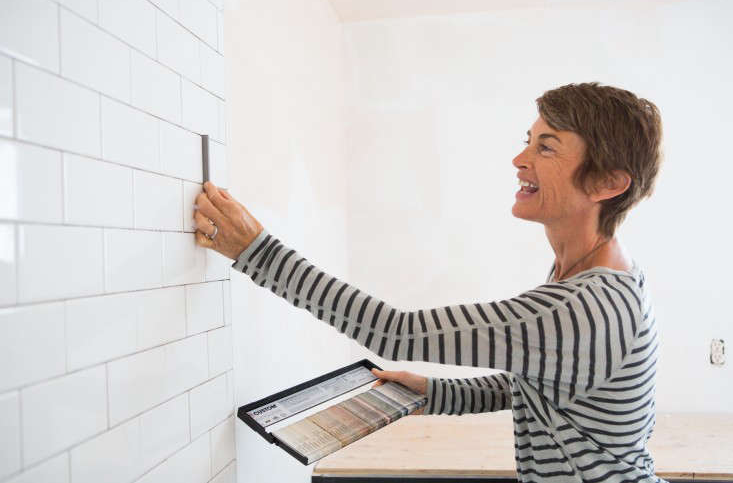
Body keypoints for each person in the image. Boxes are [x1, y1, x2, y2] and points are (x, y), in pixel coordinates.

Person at [194, 82, 664, 482]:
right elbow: (540, 381)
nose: (520, 159)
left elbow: (393, 332)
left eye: (546, 147)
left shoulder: (584, 306)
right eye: (529, 139)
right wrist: (435, 392)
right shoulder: (592, 273)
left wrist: (254, 249)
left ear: (606, 184)